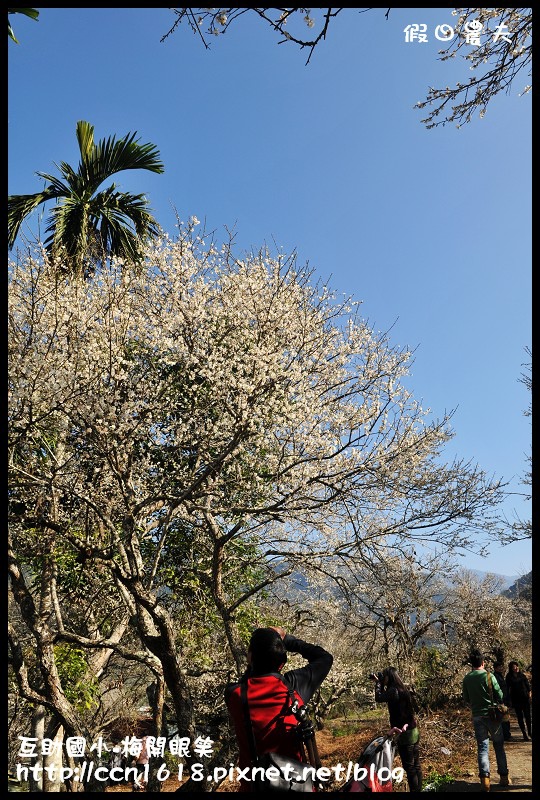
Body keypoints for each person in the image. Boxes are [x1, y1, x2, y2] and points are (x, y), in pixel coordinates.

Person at [225, 626, 333, 792]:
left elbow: (248, 678)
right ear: (282, 662)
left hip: (255, 788)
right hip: (296, 786)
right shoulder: (293, 687)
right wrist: (288, 640)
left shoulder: (235, 694)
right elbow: (325, 658)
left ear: (250, 657)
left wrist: (256, 660)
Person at [462, 649, 511, 792]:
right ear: (483, 662)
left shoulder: (467, 678)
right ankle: (503, 777)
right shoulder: (489, 676)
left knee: (483, 748)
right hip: (493, 716)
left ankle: (485, 781)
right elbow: (499, 693)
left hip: (477, 716)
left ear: (472, 663)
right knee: (498, 746)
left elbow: (466, 698)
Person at [370, 666, 422, 792]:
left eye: (385, 676)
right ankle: (419, 789)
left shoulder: (393, 691)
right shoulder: (403, 688)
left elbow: (379, 698)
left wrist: (378, 683)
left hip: (404, 734)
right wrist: (381, 683)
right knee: (416, 765)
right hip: (413, 729)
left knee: (409, 768)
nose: (383, 678)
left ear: (389, 677)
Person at [505, 660, 532, 741]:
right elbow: (507, 689)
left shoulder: (522, 675)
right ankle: (524, 734)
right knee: (520, 717)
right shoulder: (509, 677)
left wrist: (530, 695)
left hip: (525, 698)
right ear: (511, 668)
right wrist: (508, 700)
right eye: (514, 667)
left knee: (528, 716)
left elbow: (528, 687)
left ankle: (530, 733)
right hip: (516, 700)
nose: (516, 668)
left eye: (516, 666)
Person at [493, 661, 512, 741]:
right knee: (503, 719)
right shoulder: (495, 677)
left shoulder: (500, 676)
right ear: (495, 668)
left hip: (504, 700)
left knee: (506, 718)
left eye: (501, 667)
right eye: (499, 667)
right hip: (500, 701)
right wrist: (500, 701)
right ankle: (505, 735)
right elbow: (497, 690)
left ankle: (507, 734)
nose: (501, 668)